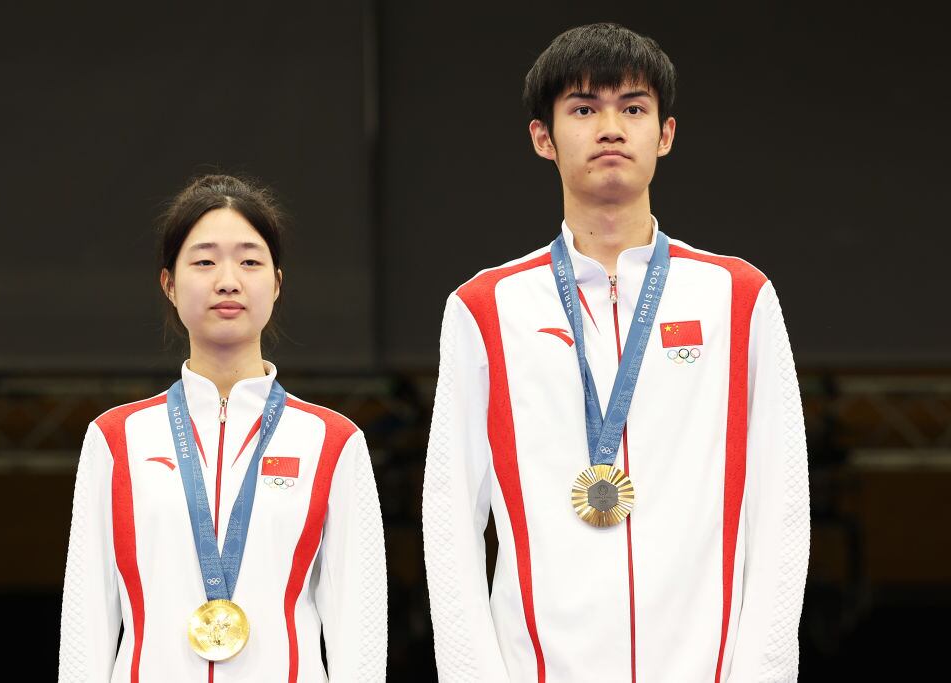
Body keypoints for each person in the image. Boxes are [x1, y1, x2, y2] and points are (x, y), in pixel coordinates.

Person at [423, 23, 809, 683]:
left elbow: (782, 500)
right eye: (583, 108)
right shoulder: (485, 308)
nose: (610, 126)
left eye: (632, 108)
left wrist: (764, 669)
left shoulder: (736, 296)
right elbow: (450, 512)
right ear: (542, 137)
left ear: (665, 134)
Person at [58, 174, 387, 682]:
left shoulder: (333, 442)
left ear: (277, 282)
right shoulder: (116, 439)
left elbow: (359, 628)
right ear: (168, 283)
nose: (228, 280)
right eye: (205, 260)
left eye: (250, 261)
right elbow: (86, 624)